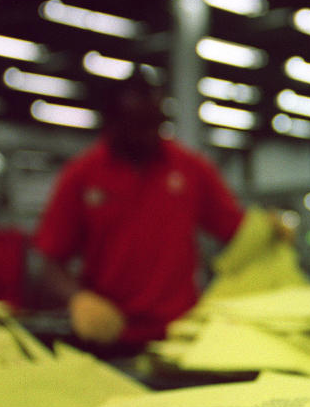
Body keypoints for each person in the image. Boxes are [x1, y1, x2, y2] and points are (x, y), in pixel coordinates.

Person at [34, 75, 248, 347]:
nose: (147, 135)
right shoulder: (82, 176)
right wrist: (78, 299)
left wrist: (267, 229)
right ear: (112, 123)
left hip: (180, 337)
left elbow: (237, 231)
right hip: (109, 335)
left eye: (154, 124)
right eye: (136, 125)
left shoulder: (191, 170)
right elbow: (50, 265)